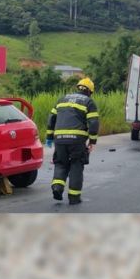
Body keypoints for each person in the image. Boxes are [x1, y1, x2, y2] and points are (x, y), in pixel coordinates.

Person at [45, 77, 100, 205]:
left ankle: (57, 187)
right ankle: (74, 198)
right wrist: (92, 141)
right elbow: (93, 123)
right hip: (77, 140)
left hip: (59, 139)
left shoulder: (62, 99)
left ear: (78, 87)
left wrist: (49, 137)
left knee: (60, 163)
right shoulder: (88, 102)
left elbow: (51, 119)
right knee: (76, 165)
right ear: (90, 91)